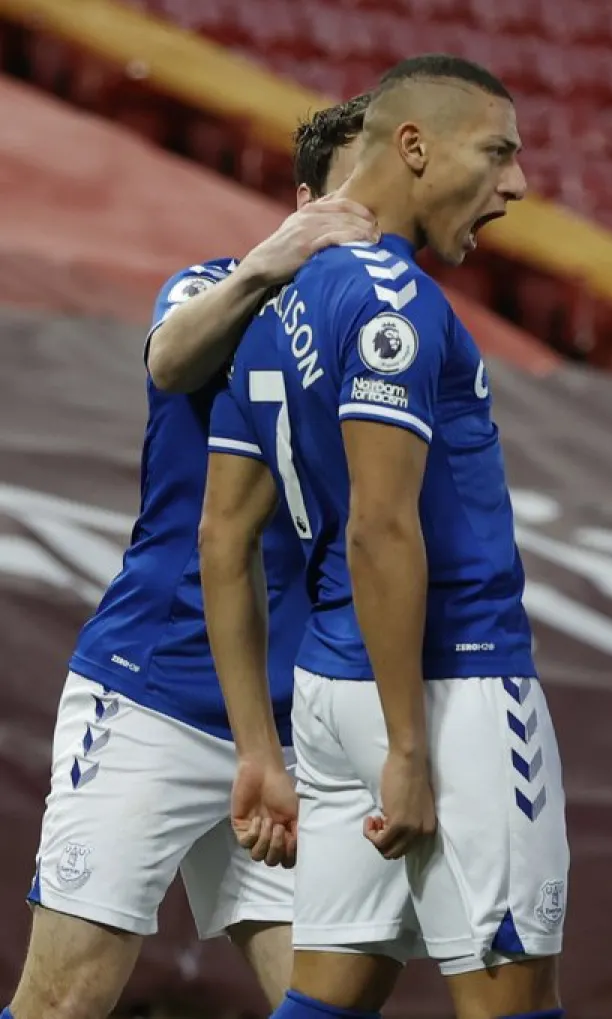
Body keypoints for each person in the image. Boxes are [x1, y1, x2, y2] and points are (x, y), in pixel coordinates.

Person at [199, 54, 565, 1019]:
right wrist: (409, 745)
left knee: (327, 1003)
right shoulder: (395, 303)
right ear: (413, 146)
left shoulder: (274, 295)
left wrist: (259, 743)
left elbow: (224, 532)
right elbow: (380, 526)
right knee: (513, 1003)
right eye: (497, 152)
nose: (517, 184)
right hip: (449, 688)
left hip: (328, 691)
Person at [4, 100, 378, 1019]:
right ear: (306, 200)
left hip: (293, 724)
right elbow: (171, 360)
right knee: (63, 1003)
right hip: (153, 694)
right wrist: (271, 263)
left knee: (323, 1006)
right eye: (361, 193)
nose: (377, 217)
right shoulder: (214, 285)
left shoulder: (392, 344)